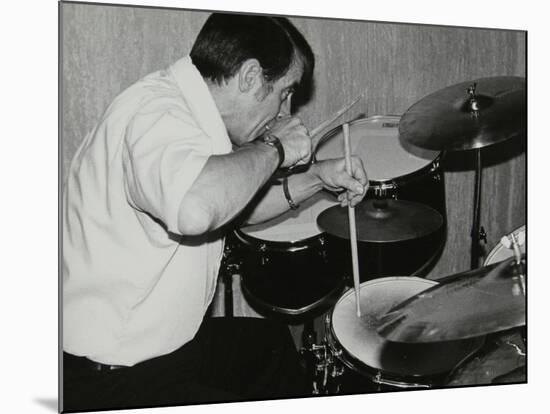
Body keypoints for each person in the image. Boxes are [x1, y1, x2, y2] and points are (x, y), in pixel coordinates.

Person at [62, 12, 368, 412]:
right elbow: (195, 209)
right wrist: (275, 147)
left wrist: (316, 178)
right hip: (110, 374)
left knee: (272, 348)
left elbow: (227, 207)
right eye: (284, 92)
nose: (285, 109)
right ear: (250, 76)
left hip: (159, 347)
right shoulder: (156, 116)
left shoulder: (191, 115)